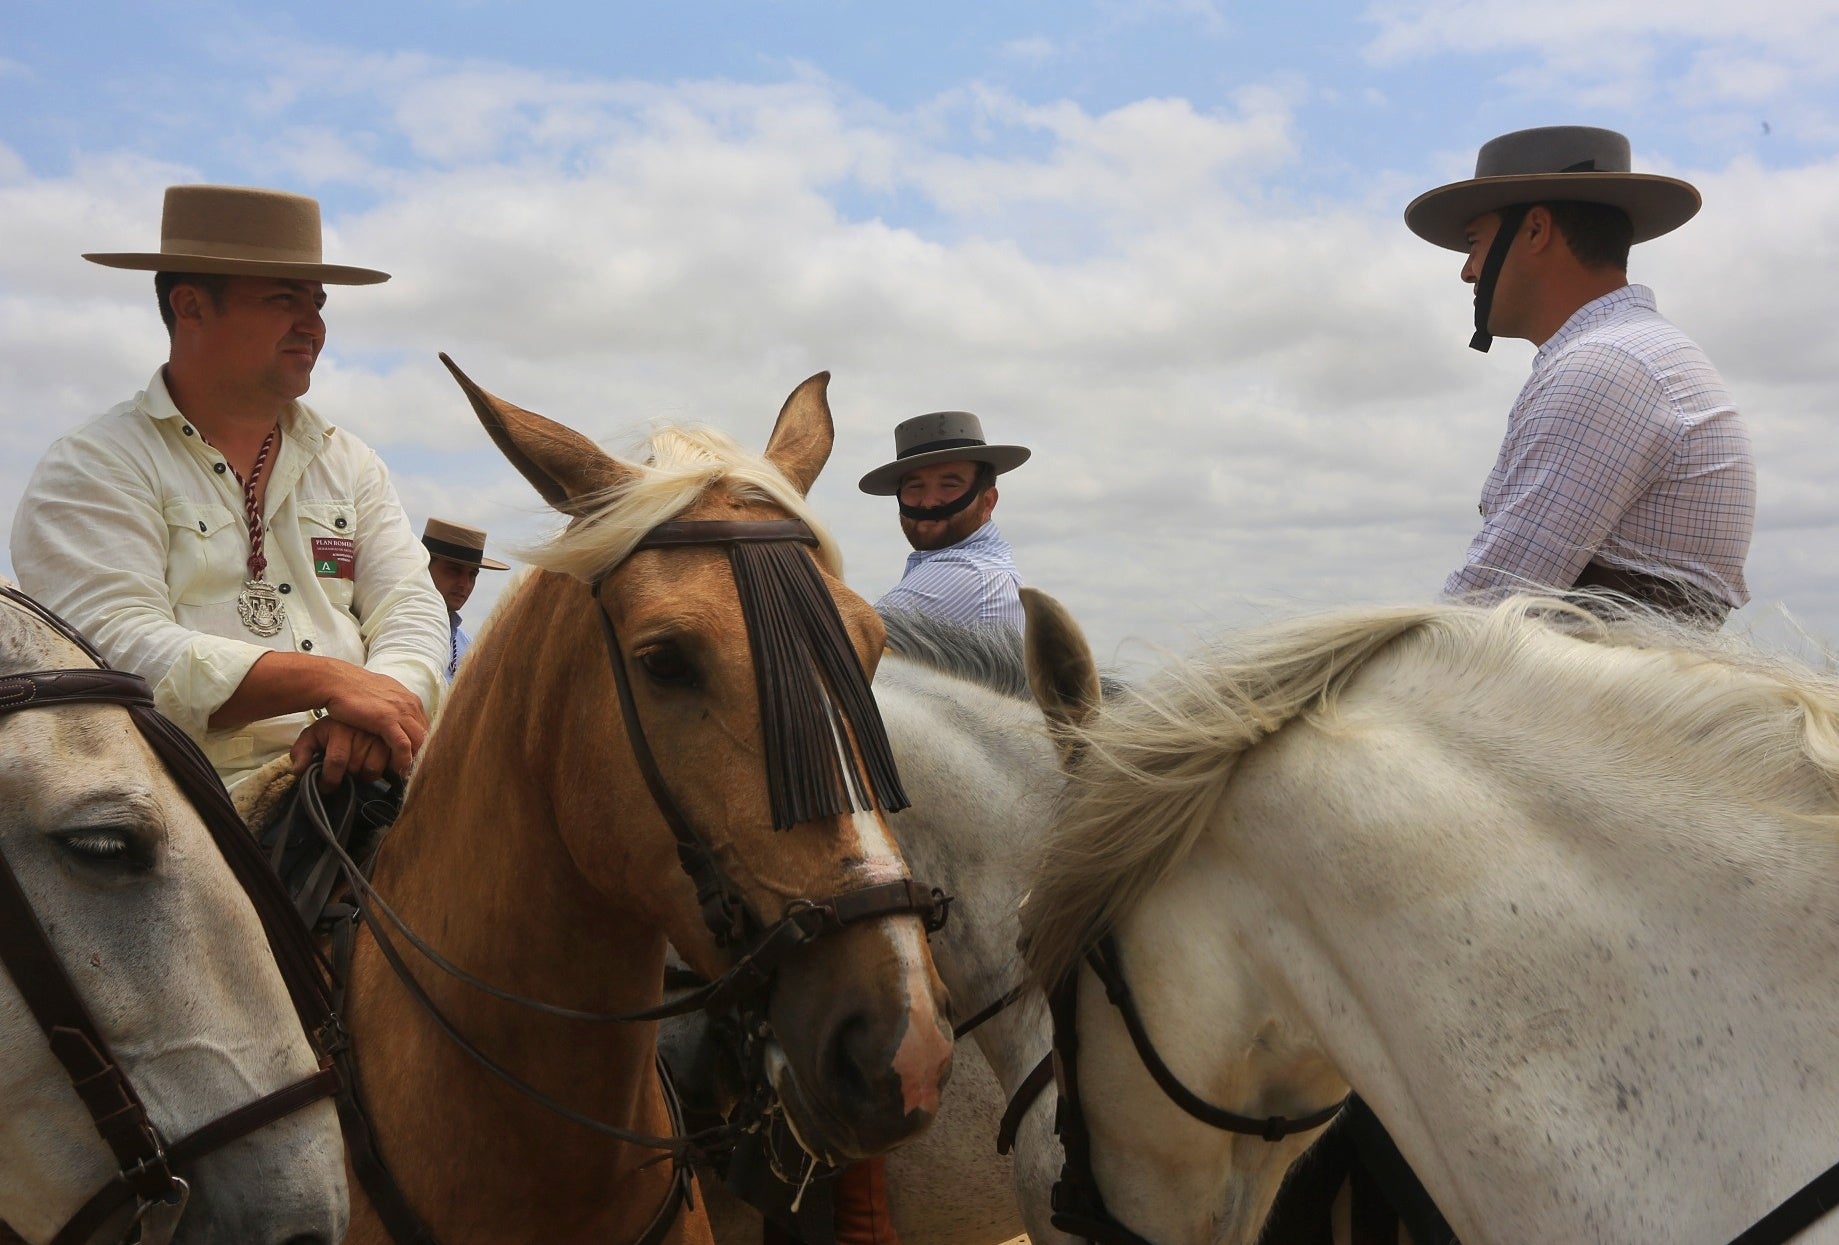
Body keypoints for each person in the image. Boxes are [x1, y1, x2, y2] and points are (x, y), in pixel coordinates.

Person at [10, 184, 449, 791]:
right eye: (282, 298)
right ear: (190, 305)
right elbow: (117, 645)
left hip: (364, 769)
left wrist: (382, 703)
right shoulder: (94, 465)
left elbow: (410, 604)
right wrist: (332, 682)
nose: (313, 325)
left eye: (318, 303)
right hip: (184, 807)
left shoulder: (349, 461)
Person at [1406, 125, 1755, 625]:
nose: (1468, 270)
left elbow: (1489, 608)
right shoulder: (1635, 354)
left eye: (1474, 243)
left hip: (1586, 701)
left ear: (1534, 231)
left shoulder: (1607, 367)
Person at [858, 411, 1031, 632]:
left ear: (987, 501)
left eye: (949, 485)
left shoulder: (969, 574)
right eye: (915, 487)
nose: (929, 502)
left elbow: (849, 646)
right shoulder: (989, 571)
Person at [421, 517, 509, 680]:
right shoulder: (385, 626)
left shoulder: (468, 648)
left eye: (472, 574)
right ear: (424, 566)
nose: (465, 584)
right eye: (454, 570)